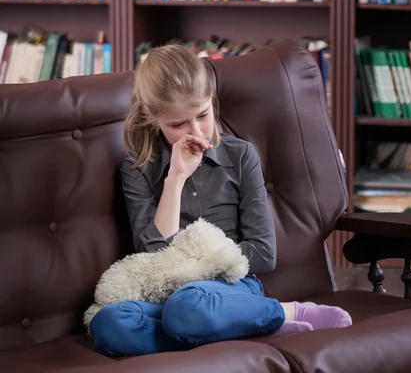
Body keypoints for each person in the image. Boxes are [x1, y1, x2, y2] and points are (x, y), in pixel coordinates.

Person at [89, 44, 352, 357]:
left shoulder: (241, 156)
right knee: (109, 325)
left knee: (188, 306)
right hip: (167, 296)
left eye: (202, 115)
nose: (196, 131)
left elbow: (264, 254)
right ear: (152, 118)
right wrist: (175, 179)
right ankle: (254, 324)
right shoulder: (137, 169)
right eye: (177, 125)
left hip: (231, 289)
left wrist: (193, 274)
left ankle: (283, 312)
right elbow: (152, 255)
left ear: (212, 102)